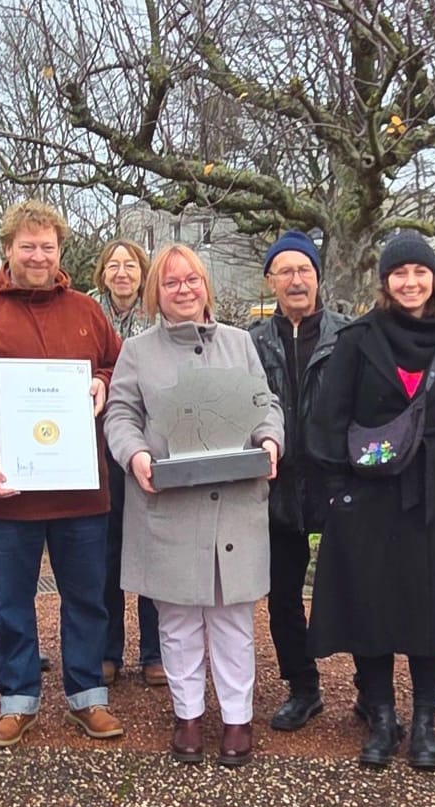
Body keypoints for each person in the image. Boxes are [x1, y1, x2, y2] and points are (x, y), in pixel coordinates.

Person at [0, 199, 127, 747]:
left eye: (48, 246)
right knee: (13, 602)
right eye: (28, 245)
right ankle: (18, 697)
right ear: (9, 249)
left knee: (87, 596)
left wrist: (103, 379)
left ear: (60, 249)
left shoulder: (88, 313)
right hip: (11, 491)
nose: (39, 255)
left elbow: (121, 367)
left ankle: (87, 694)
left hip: (81, 490)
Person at [306, 231, 435, 771]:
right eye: (399, 273)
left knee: (429, 607)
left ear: (434, 279)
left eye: (419, 272)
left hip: (432, 492)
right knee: (370, 606)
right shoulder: (360, 338)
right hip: (368, 493)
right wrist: (339, 492)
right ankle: (382, 718)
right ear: (385, 282)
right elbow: (326, 418)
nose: (410, 282)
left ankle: (425, 722)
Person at [104, 244, 283, 766]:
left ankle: (236, 718)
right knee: (178, 621)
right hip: (170, 502)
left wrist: (271, 439)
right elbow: (120, 414)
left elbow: (265, 404)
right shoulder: (138, 351)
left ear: (206, 285)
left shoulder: (240, 343)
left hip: (233, 502)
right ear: (156, 292)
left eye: (192, 280)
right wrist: (134, 455)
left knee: (232, 620)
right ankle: (186, 715)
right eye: (170, 282)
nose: (183, 290)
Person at [248, 230, 352, 731]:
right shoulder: (251, 343)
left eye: (304, 270)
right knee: (282, 594)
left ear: (317, 276)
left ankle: (370, 690)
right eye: (285, 271)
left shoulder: (348, 337)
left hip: (337, 485)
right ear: (270, 280)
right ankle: (302, 686)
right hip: (276, 488)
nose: (296, 279)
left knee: (356, 590)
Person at [91, 238, 164, 687]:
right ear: (103, 273)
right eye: (114, 265)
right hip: (98, 444)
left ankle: (154, 650)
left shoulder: (158, 315)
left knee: (153, 546)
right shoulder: (84, 314)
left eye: (130, 266)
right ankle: (107, 649)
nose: (122, 273)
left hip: (151, 441)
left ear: (142, 273)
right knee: (106, 549)